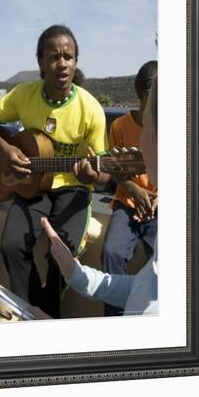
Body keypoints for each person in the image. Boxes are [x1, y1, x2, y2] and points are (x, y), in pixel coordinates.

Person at [0, 24, 109, 316]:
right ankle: (25, 310)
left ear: (76, 61)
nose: (62, 63)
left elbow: (105, 173)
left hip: (73, 188)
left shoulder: (91, 109)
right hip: (33, 185)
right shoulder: (24, 94)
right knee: (11, 245)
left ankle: (47, 315)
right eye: (53, 56)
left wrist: (93, 176)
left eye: (69, 56)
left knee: (62, 255)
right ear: (40, 61)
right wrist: (3, 148)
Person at [41, 75, 158, 316]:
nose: (138, 143)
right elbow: (144, 287)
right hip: (126, 204)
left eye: (148, 126)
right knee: (112, 252)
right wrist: (76, 274)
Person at [101, 60, 158, 316]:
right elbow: (114, 170)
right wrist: (134, 190)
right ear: (147, 94)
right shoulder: (119, 127)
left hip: (158, 207)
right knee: (111, 253)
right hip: (127, 204)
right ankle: (117, 321)